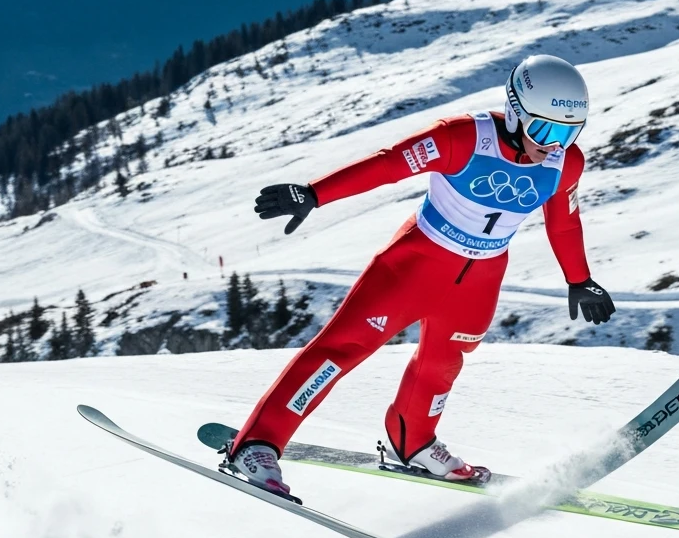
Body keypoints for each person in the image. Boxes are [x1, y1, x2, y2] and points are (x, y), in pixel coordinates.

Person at [230, 54, 616, 498]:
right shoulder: (463, 137)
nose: (554, 144)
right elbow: (387, 165)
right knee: (340, 350)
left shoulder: (564, 163)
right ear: (515, 111)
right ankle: (259, 444)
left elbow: (564, 221)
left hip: (480, 279)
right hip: (414, 265)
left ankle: (413, 440)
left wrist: (579, 278)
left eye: (569, 133)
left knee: (442, 364)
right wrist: (316, 194)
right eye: (546, 130)